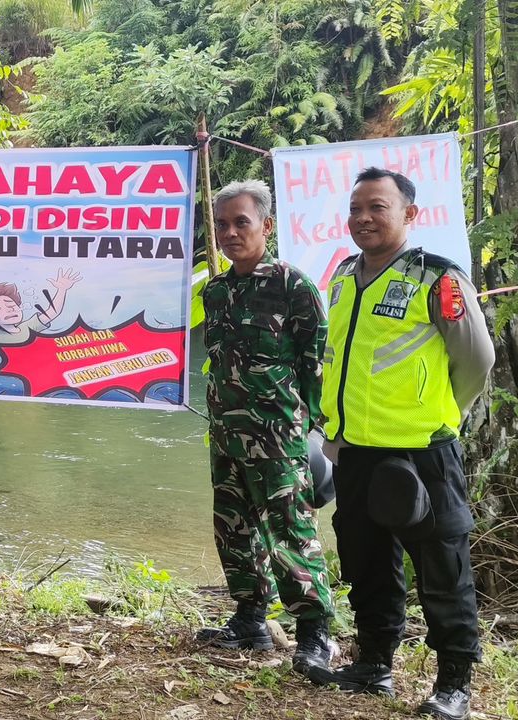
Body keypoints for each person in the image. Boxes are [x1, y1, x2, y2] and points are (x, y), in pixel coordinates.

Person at [313, 168, 494, 720]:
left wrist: (439, 417)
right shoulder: (344, 276)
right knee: (365, 562)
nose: (363, 218)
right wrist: (334, 436)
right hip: (355, 452)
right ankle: (374, 664)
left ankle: (454, 685)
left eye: (378, 207)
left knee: (442, 567)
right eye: (356, 208)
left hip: (423, 452)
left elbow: (476, 361)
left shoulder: (436, 278)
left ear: (409, 215)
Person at [193, 180, 336, 677]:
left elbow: (316, 362)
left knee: (291, 531)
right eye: (222, 225)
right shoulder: (217, 291)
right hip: (227, 432)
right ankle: (250, 618)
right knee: (233, 527)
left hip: (278, 435)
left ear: (266, 227)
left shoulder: (293, 286)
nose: (230, 233)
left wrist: (311, 428)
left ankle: (315, 632)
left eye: (241, 223)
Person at [0, 268, 81, 372]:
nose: (9, 310)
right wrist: (9, 373)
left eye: (11, 305)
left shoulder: (28, 326)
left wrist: (62, 290)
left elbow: (53, 312)